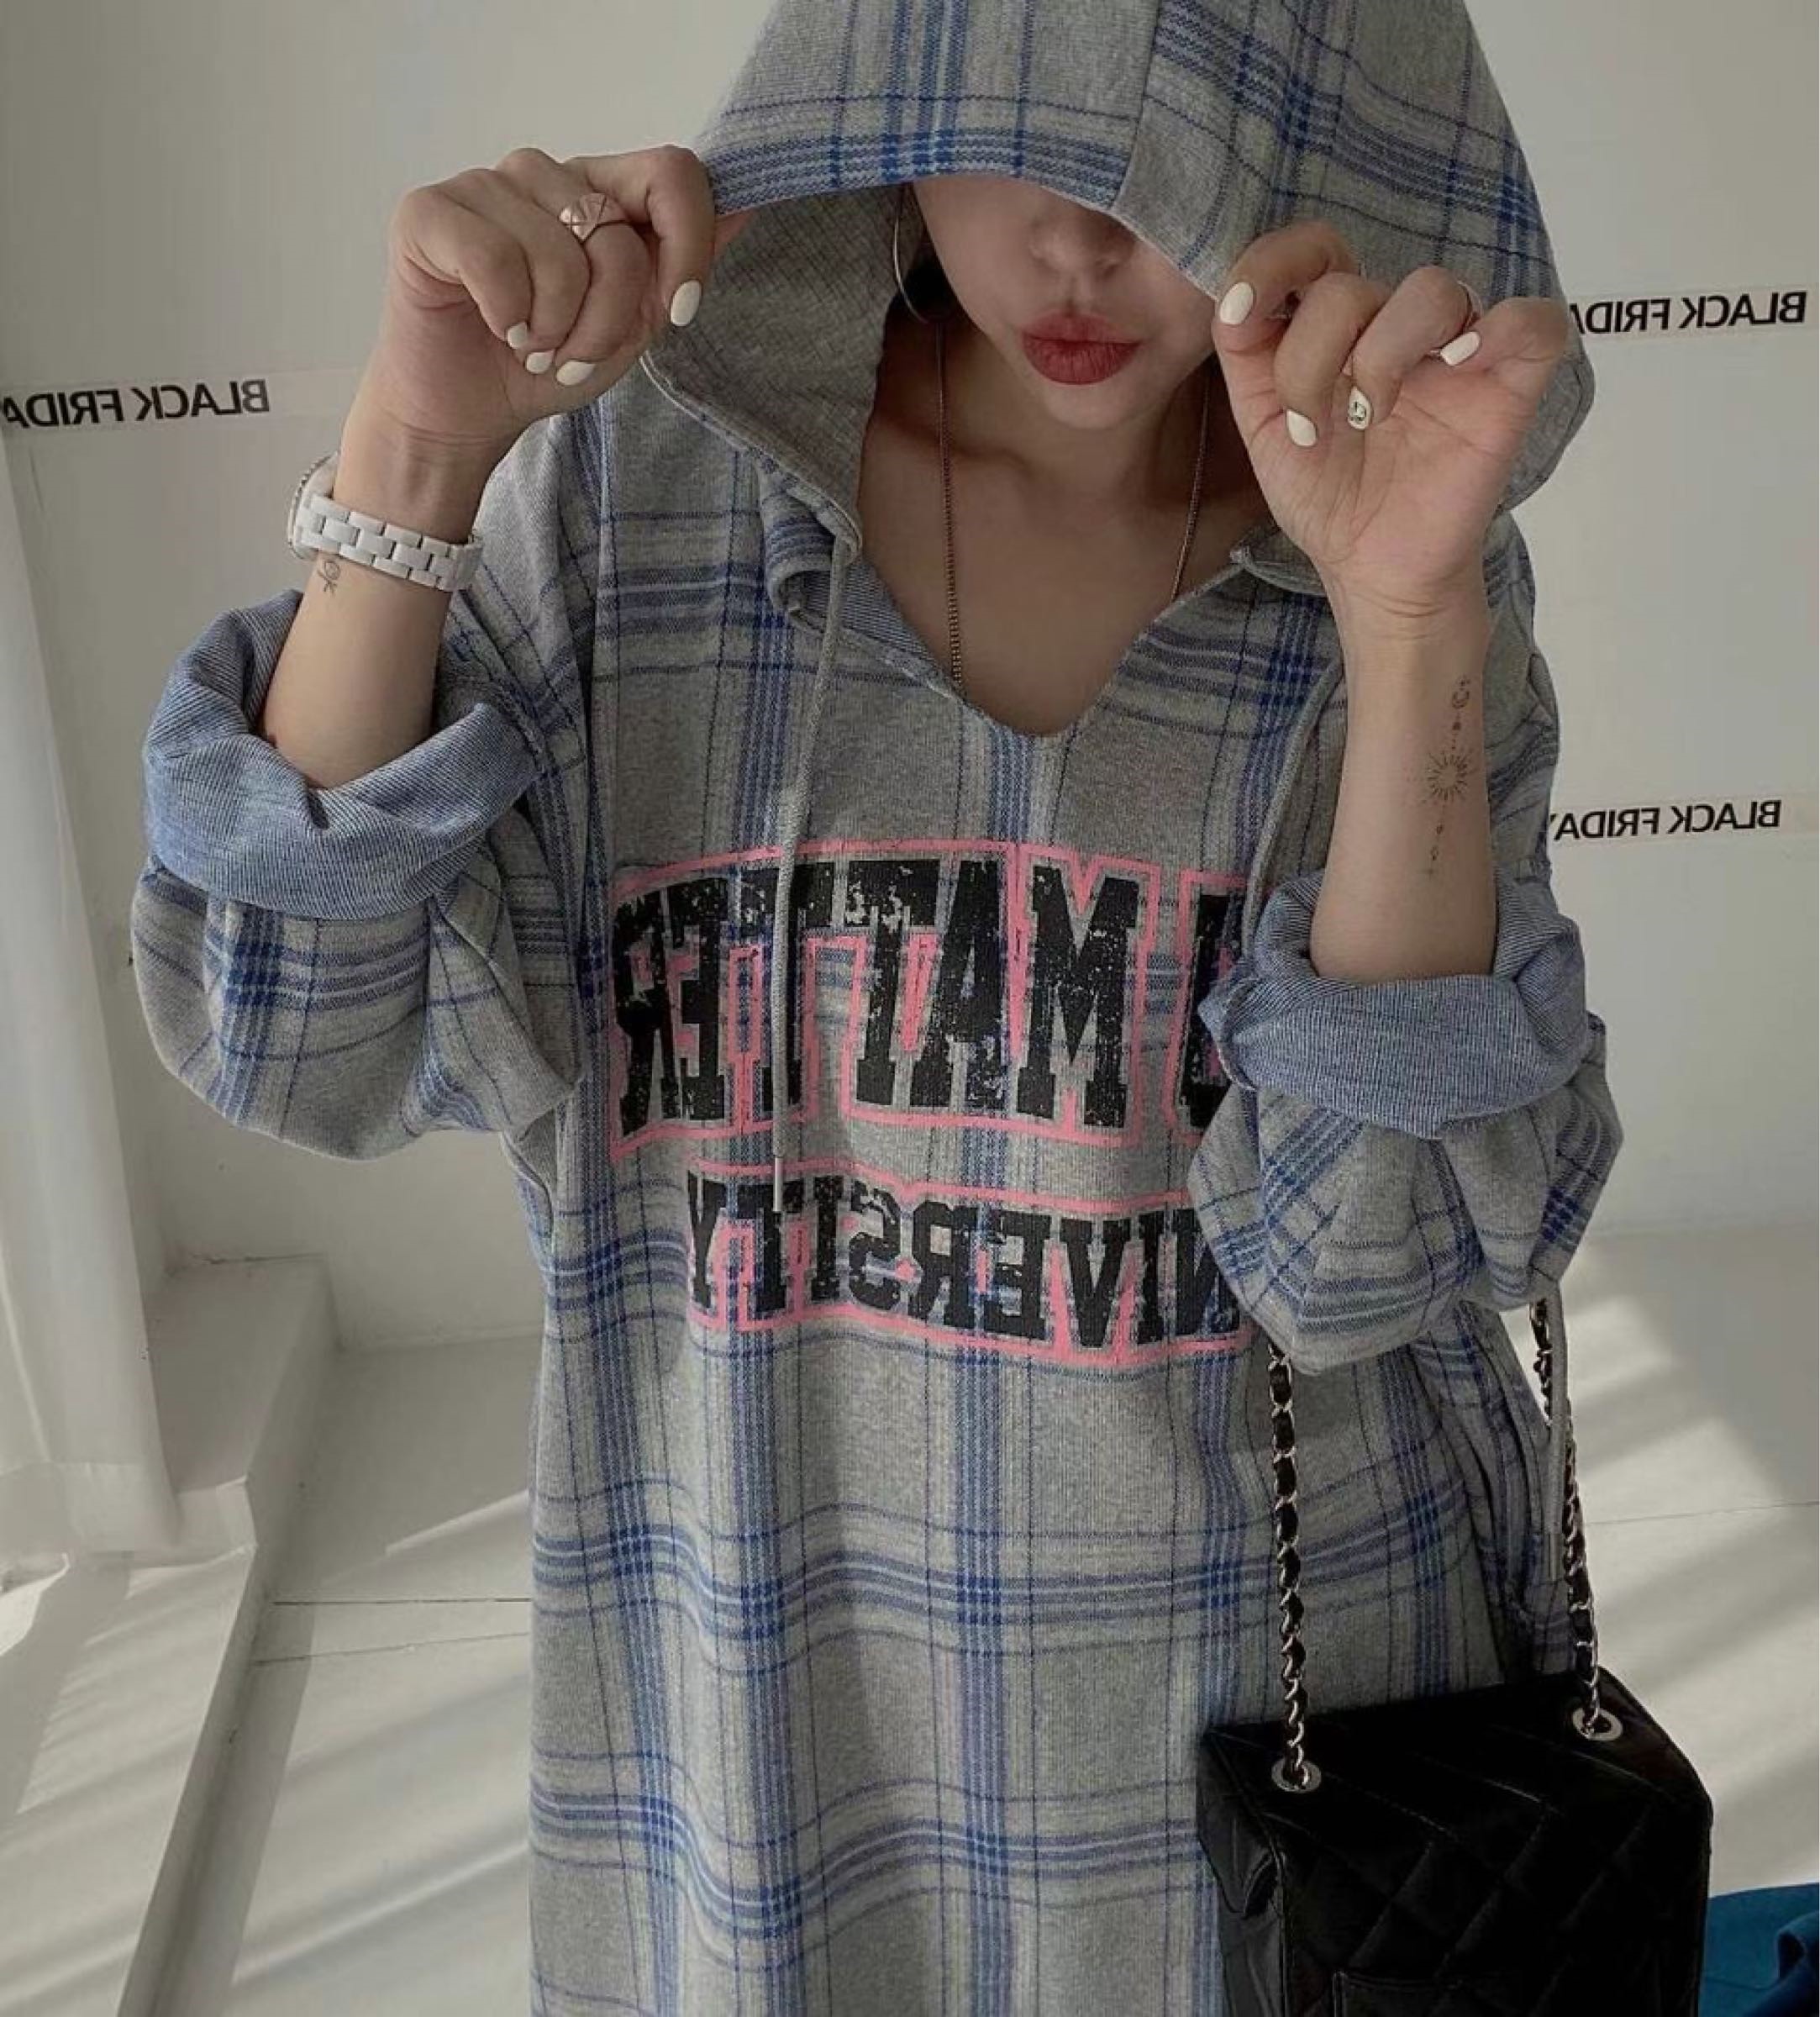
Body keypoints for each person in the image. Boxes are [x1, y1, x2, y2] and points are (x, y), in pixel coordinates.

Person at [130, 0, 1621, 2009]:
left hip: (1294, 1768)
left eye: (1167, 152)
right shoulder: (636, 501)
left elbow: (1376, 1262)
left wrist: (1410, 618)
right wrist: (417, 450)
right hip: (767, 1725)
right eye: (1015, 130)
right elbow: (299, 1034)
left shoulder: (1386, 554)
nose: (1081, 243)